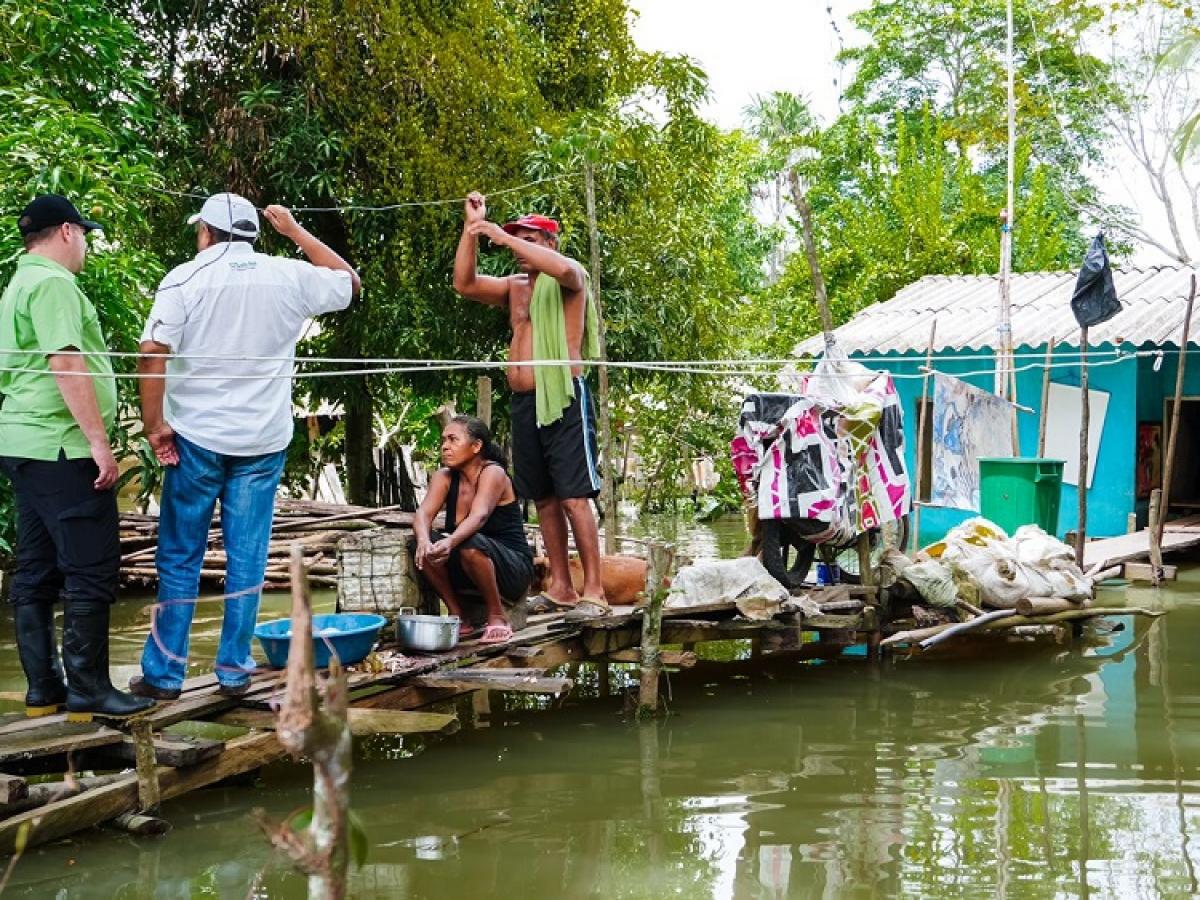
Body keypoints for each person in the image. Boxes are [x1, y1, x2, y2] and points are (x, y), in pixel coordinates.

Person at [130, 193, 361, 700]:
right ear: (254, 235)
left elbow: (151, 353)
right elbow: (349, 282)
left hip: (196, 437)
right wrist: (296, 232)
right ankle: (233, 670)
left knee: (180, 556)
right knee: (248, 557)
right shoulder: (288, 273)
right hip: (262, 439)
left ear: (206, 233)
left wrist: (154, 425)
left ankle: (165, 675)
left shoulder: (185, 278)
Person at [0, 195, 154, 719]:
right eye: (84, 233)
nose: (86, 244)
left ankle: (45, 688)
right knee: (90, 567)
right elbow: (66, 362)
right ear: (67, 231)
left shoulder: (19, 281)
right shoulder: (52, 284)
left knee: (37, 567)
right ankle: (89, 689)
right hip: (61, 445)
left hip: (24, 445)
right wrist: (98, 442)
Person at [452, 191, 608, 622]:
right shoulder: (517, 288)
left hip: (563, 398)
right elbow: (464, 284)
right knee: (543, 498)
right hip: (524, 402)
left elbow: (563, 269)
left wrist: (502, 236)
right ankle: (561, 587)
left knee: (575, 497)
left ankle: (593, 588)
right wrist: (472, 230)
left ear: (550, 244)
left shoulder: (568, 277)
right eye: (517, 237)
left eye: (530, 240)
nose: (519, 247)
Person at [413, 416, 533, 644]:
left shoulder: (493, 473)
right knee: (418, 544)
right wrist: (423, 541)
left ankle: (497, 617)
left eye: (453, 440)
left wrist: (450, 542)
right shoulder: (444, 477)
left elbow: (479, 516)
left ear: (476, 446)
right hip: (470, 563)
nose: (445, 447)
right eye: (443, 441)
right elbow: (423, 514)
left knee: (470, 542)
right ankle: (459, 615)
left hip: (513, 569)